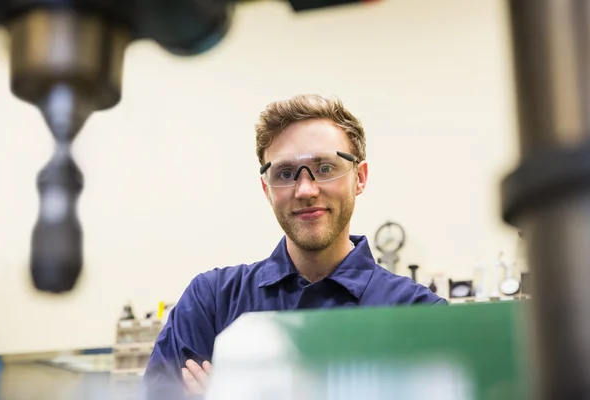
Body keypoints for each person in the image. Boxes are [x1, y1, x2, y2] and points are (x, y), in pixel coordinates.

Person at [141, 94, 448, 399]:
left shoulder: (420, 316)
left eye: (325, 168)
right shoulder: (210, 303)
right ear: (266, 188)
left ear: (360, 178)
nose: (305, 189)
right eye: (285, 174)